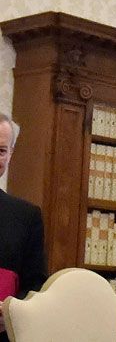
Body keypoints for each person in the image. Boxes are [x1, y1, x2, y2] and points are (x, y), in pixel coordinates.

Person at [0, 113, 48, 342]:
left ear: (10, 154)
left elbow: (35, 287)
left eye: (1, 151)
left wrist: (12, 312)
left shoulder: (26, 217)